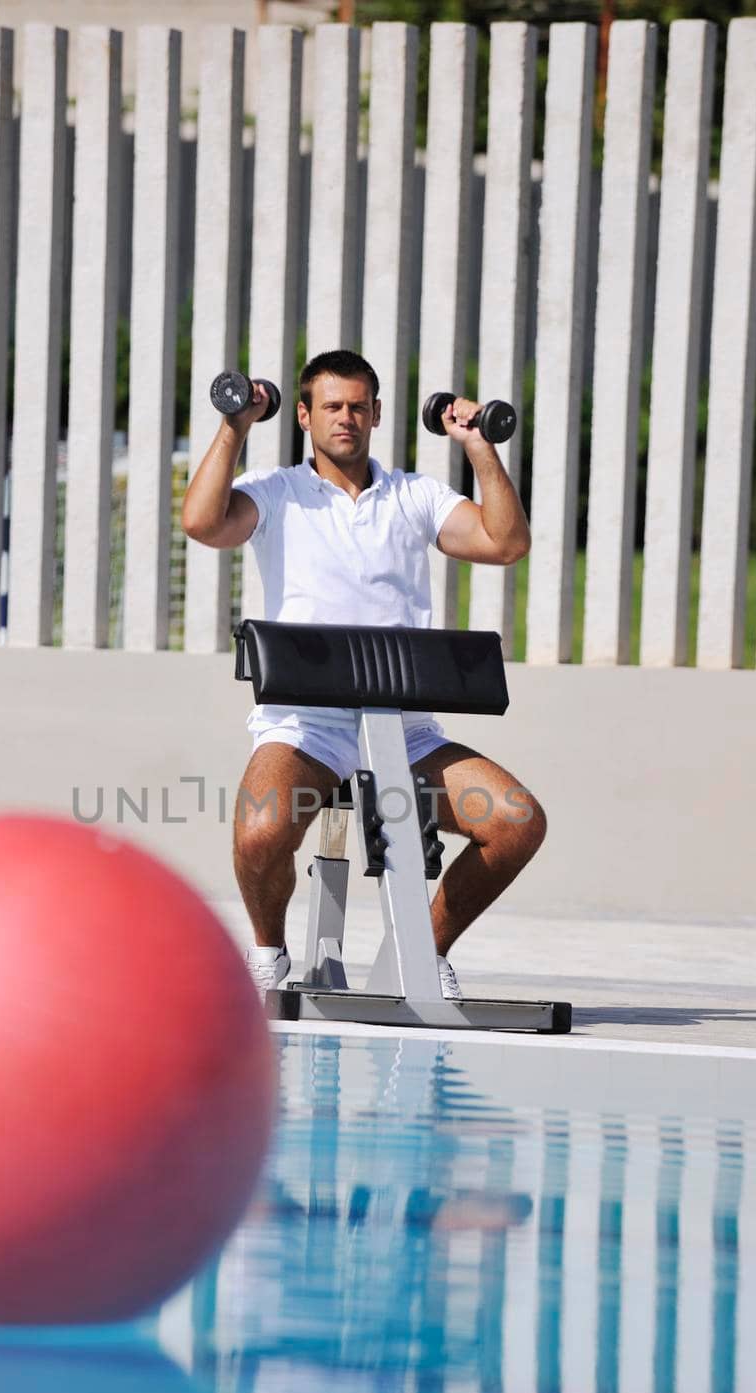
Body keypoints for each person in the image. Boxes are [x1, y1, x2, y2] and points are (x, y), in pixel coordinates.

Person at [181, 349, 547, 998]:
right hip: (307, 727)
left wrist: (477, 447)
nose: (344, 418)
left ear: (376, 413)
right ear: (303, 415)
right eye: (330, 407)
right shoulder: (275, 492)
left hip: (404, 731)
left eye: (356, 406)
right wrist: (235, 425)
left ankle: (422, 951)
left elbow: (503, 544)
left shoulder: (415, 496)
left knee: (515, 821)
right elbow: (203, 523)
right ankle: (266, 951)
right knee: (262, 828)